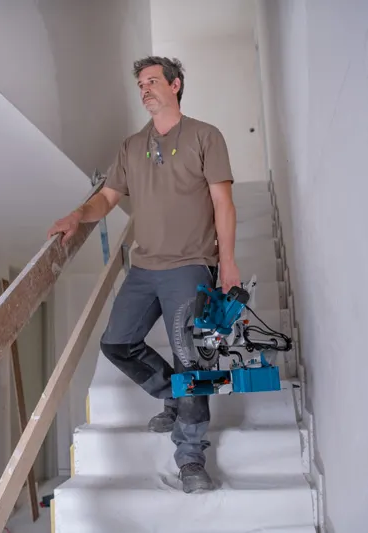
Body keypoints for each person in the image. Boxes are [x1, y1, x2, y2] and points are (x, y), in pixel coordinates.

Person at [47, 56, 240, 493]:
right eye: (140, 84)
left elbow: (224, 203)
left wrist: (227, 262)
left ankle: (190, 458)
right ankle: (172, 397)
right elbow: (108, 196)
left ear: (175, 86)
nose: (145, 89)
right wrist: (78, 215)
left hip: (190, 265)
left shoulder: (205, 136)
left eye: (153, 81)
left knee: (190, 359)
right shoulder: (132, 146)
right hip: (144, 266)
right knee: (117, 342)